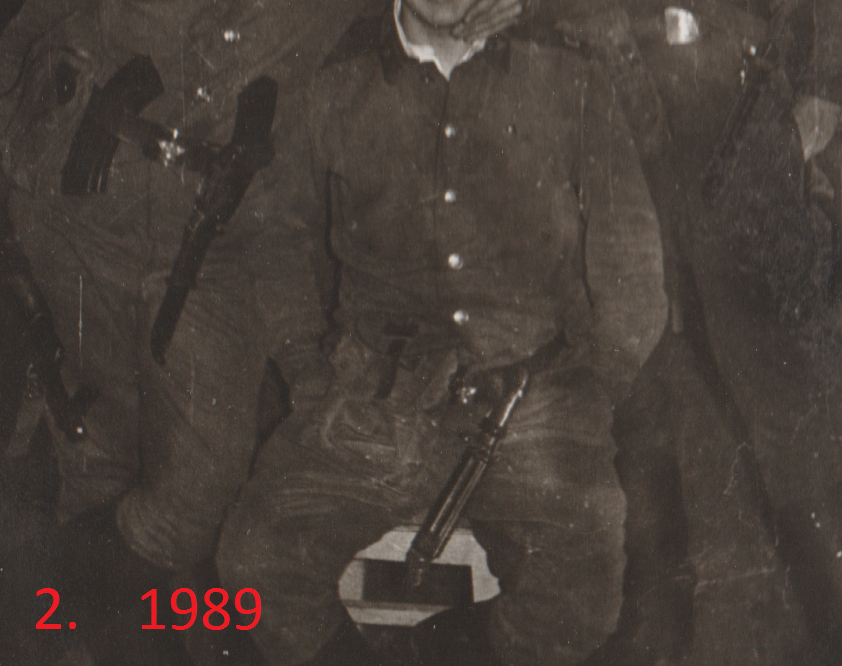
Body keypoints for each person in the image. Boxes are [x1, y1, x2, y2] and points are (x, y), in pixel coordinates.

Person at [0, 2, 536, 664]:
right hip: (82, 185)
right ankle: (64, 631)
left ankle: (34, 607)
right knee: (105, 451)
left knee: (193, 495)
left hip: (214, 226)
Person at [216, 1, 668, 664]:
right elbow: (273, 238)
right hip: (374, 388)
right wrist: (306, 368)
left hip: (531, 389)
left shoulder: (568, 77)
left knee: (582, 590)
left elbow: (630, 250)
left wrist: (598, 384)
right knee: (254, 566)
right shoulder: (331, 84)